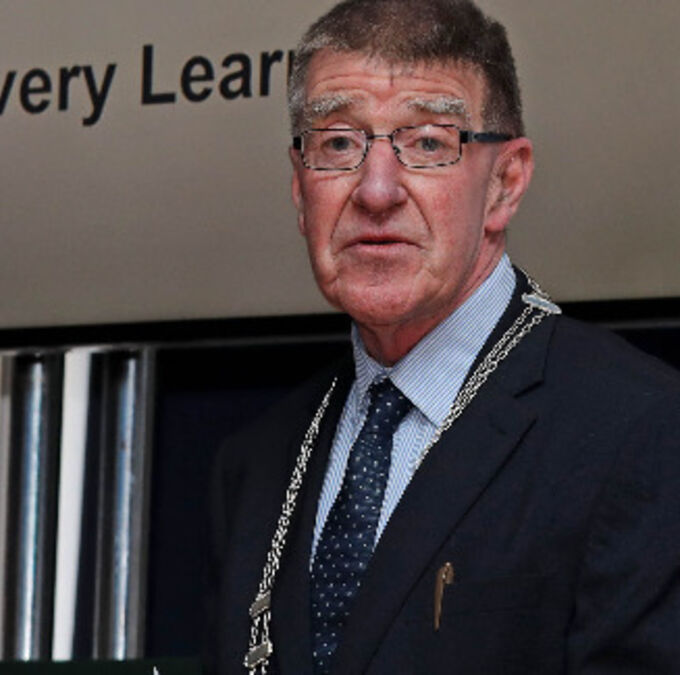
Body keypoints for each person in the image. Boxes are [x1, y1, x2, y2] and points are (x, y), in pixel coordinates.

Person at [205, 0, 680, 673]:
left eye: (428, 143)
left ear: (505, 184)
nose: (376, 191)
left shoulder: (640, 430)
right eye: (337, 143)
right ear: (299, 188)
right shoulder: (255, 464)